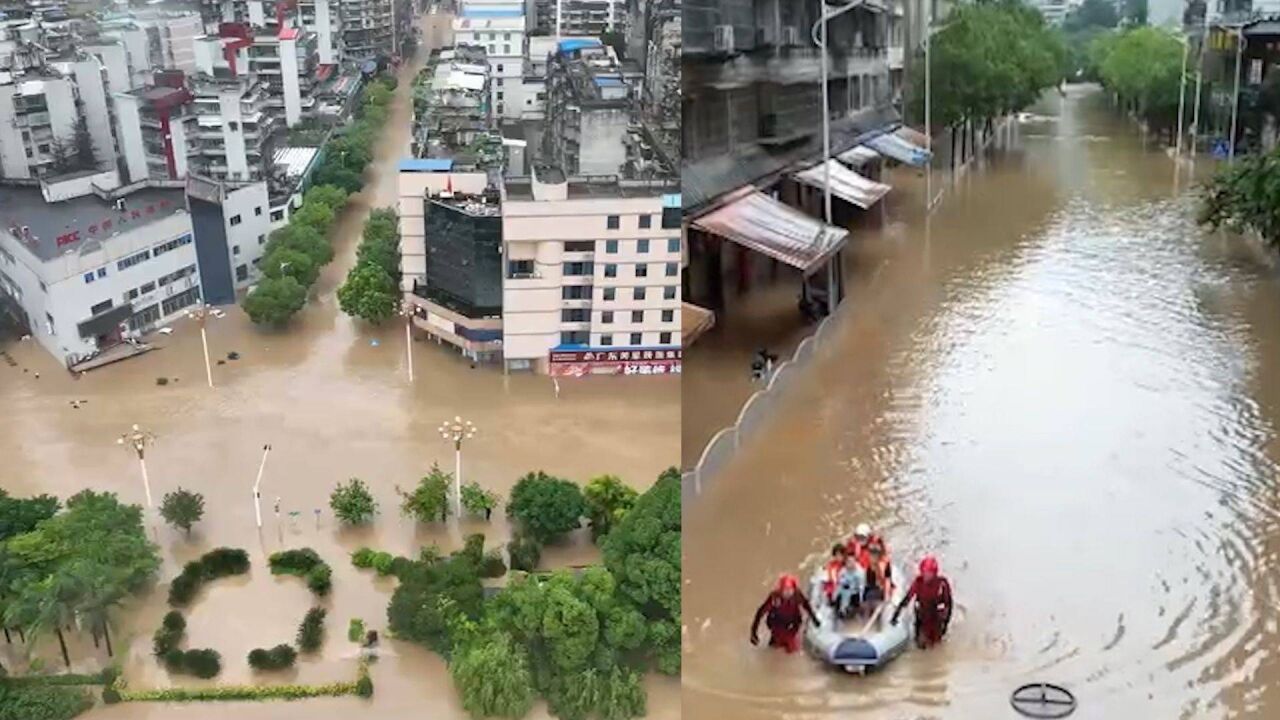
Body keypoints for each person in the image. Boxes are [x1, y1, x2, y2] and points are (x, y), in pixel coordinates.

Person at [891, 555, 953, 649]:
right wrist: (895, 616)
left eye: (929, 573)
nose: (926, 575)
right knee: (920, 645)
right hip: (921, 618)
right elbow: (907, 599)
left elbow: (949, 604)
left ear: (934, 572)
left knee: (935, 646)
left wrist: (946, 624)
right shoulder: (918, 582)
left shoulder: (942, 584)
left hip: (936, 619)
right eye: (924, 572)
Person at [750, 574, 820, 653]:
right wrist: (753, 632)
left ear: (794, 589)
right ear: (781, 590)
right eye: (785, 590)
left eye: (790, 590)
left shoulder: (797, 595)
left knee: (792, 649)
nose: (787, 593)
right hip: (777, 625)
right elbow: (761, 612)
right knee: (773, 649)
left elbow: (806, 606)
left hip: (792, 626)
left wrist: (814, 620)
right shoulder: (774, 597)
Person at [834, 552, 867, 619]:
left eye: (852, 561)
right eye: (848, 561)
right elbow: (839, 584)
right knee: (841, 595)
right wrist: (835, 595)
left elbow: (862, 587)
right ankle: (842, 610)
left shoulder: (860, 572)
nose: (850, 563)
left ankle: (851, 610)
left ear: (855, 561)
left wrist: (861, 600)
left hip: (856, 592)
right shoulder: (843, 571)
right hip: (845, 591)